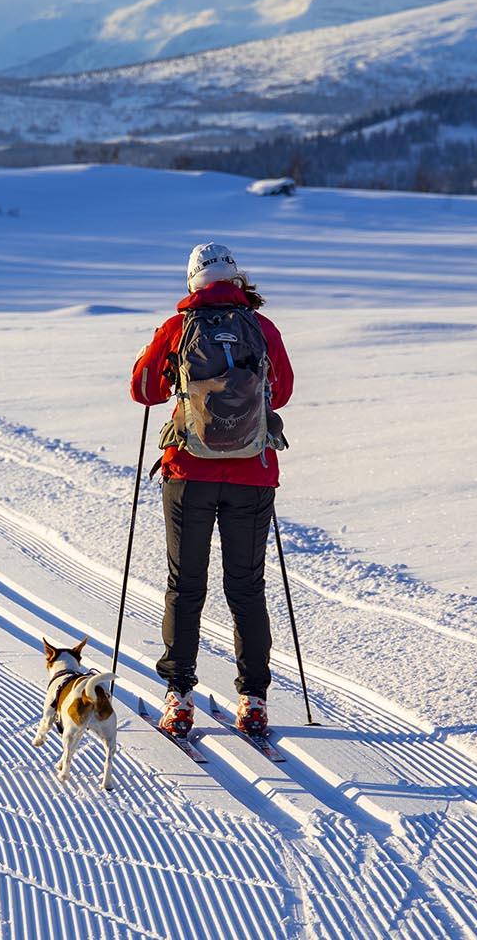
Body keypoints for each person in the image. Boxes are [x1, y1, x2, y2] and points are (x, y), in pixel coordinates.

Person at [129, 242, 293, 738]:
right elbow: (281, 391)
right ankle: (254, 700)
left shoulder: (178, 328)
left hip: (189, 473)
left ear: (192, 283)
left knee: (186, 585)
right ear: (235, 279)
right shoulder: (261, 329)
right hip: (253, 474)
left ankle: (179, 697)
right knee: (247, 587)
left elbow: (143, 391)